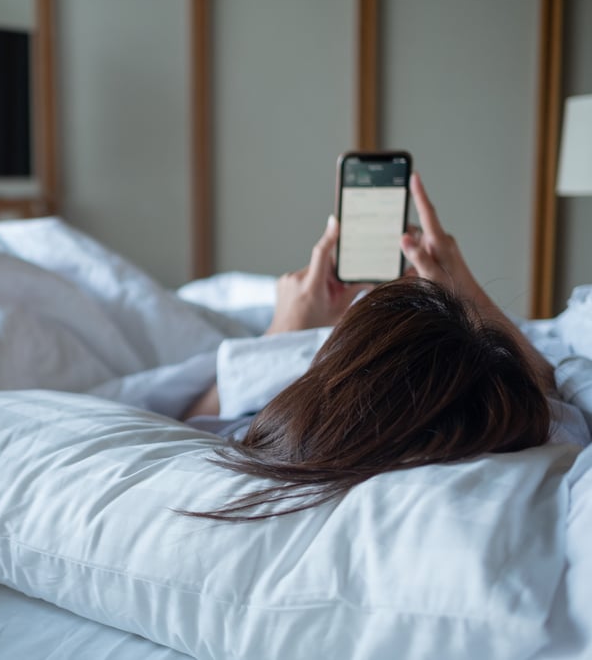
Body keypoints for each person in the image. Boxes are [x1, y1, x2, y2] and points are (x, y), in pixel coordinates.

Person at [182, 173, 571, 521]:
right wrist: (472, 298)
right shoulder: (526, 425)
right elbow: (554, 395)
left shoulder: (270, 431)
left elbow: (183, 422)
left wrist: (281, 332)